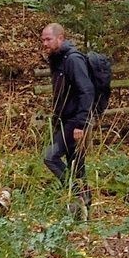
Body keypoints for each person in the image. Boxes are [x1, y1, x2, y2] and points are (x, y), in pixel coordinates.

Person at [40, 21, 93, 211]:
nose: (44, 43)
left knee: (50, 156)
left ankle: (72, 191)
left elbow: (86, 91)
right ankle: (84, 203)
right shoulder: (58, 59)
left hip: (74, 121)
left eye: (48, 39)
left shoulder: (73, 60)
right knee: (76, 162)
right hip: (64, 119)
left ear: (60, 38)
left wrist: (81, 123)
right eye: (43, 40)